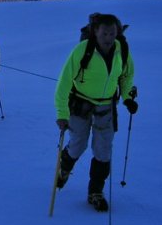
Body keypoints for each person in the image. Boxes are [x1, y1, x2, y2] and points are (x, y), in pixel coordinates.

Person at [53, 13, 138, 211]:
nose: (109, 37)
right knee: (77, 144)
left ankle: (95, 192)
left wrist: (127, 99)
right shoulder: (83, 50)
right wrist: (61, 114)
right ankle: (64, 169)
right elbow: (64, 83)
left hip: (106, 107)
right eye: (104, 33)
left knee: (103, 151)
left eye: (112, 33)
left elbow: (126, 77)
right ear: (95, 32)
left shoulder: (122, 50)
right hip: (80, 105)